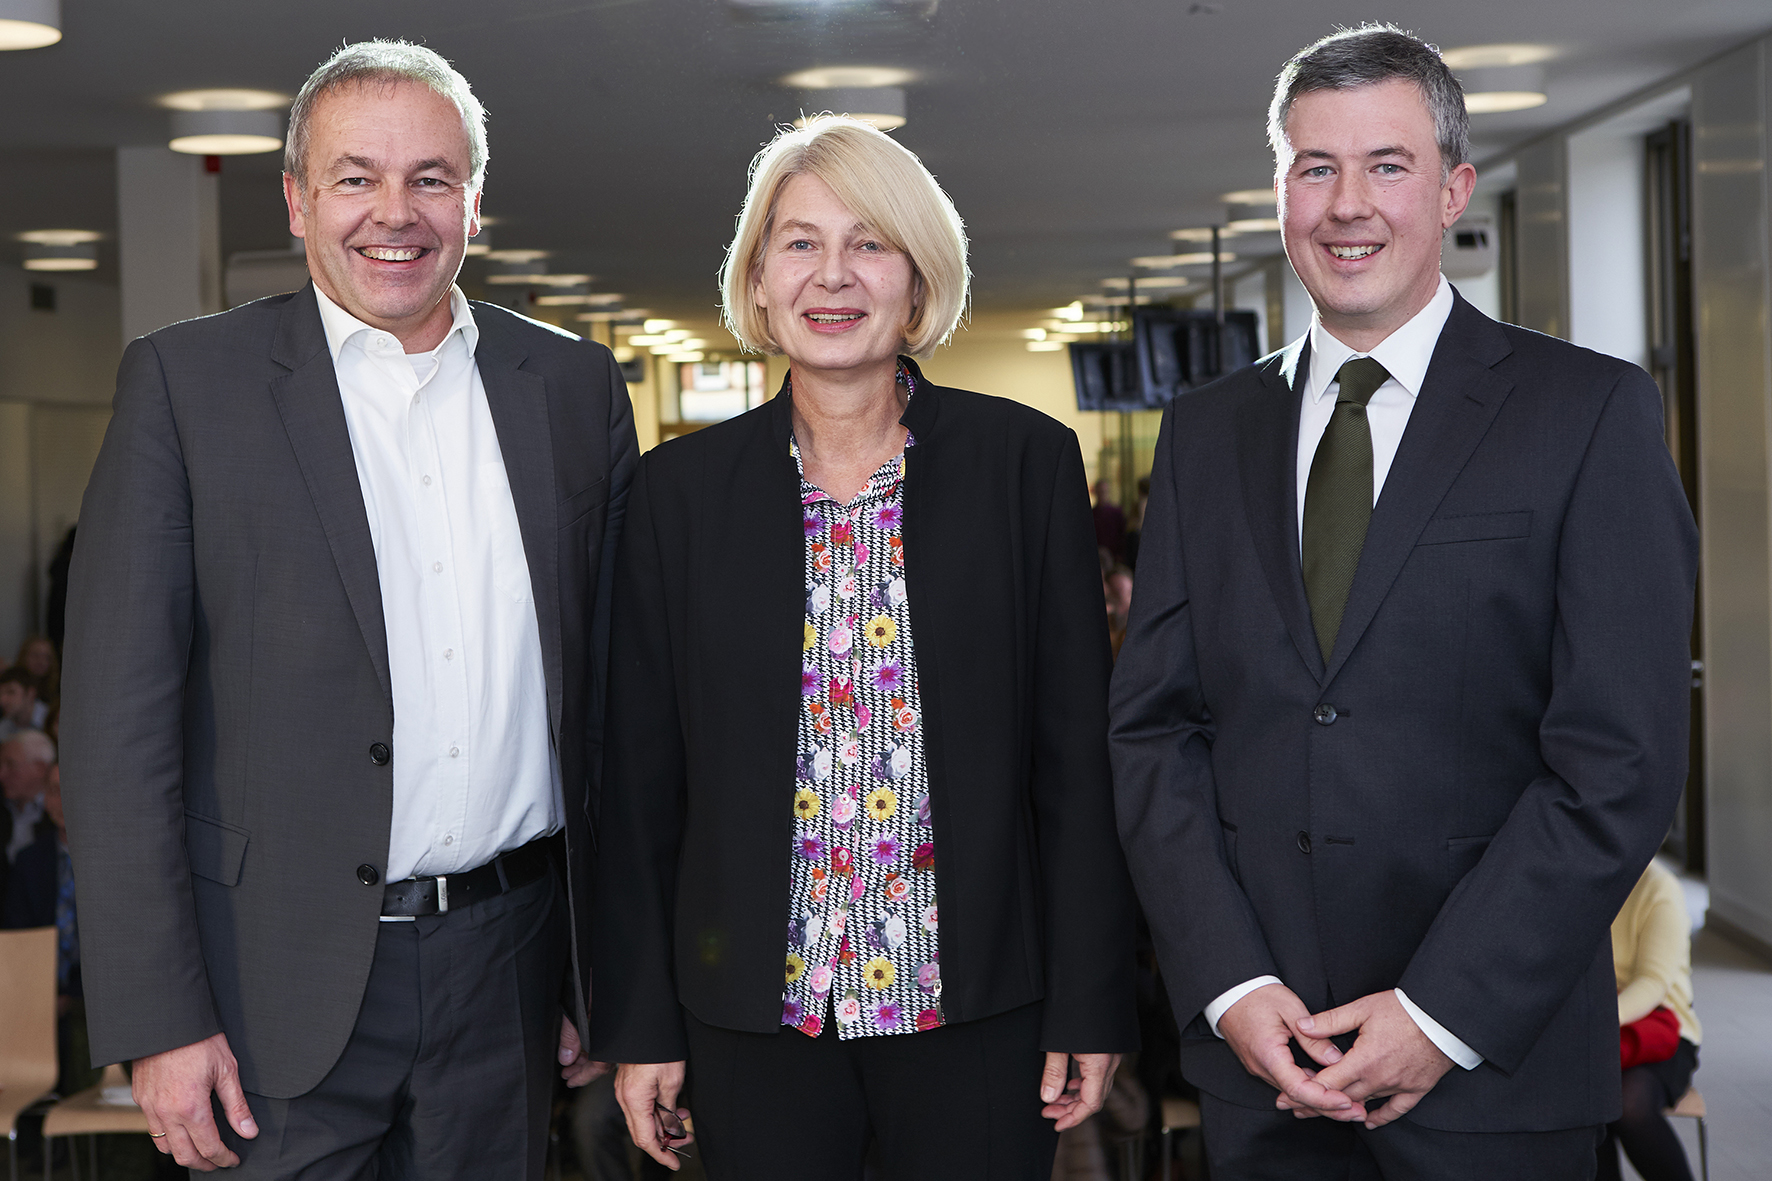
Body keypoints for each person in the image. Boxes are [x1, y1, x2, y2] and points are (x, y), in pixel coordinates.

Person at [1110, 24, 1697, 1180]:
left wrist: (1438, 1011)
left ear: (1451, 191)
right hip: (1264, 1064)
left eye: (1386, 165)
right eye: (1314, 167)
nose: (1346, 205)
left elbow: (1616, 760)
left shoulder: (1588, 413)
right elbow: (1152, 733)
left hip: (1494, 1068)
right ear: (1280, 192)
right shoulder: (1203, 434)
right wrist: (1229, 983)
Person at [61, 39, 635, 1179]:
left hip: (511, 970)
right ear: (296, 200)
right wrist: (159, 1018)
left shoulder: (572, 389)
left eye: (431, 178)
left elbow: (614, 703)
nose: (395, 212)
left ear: (474, 201)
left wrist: (598, 968)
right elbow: (116, 730)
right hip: (266, 987)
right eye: (355, 177)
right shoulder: (188, 387)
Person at [589, 115, 1138, 1179]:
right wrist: (641, 1022)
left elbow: (1076, 762)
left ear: (917, 279)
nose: (831, 275)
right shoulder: (677, 495)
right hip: (754, 1020)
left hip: (980, 1011)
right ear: (758, 281)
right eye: (799, 242)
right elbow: (642, 785)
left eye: (868, 243)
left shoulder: (1024, 465)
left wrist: (1091, 997)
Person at [1599, 861, 1702, 1181]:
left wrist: (1598, 1022)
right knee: (1584, 1102)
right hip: (1600, 1032)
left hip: (1662, 1030)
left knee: (1630, 1103)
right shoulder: (1575, 880)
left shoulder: (1658, 886)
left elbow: (1653, 982)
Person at [0, 665, 45, 742]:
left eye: (11, 692)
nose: (2, 700)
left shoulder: (53, 719)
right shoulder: (4, 726)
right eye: (0, 694)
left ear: (30, 693)